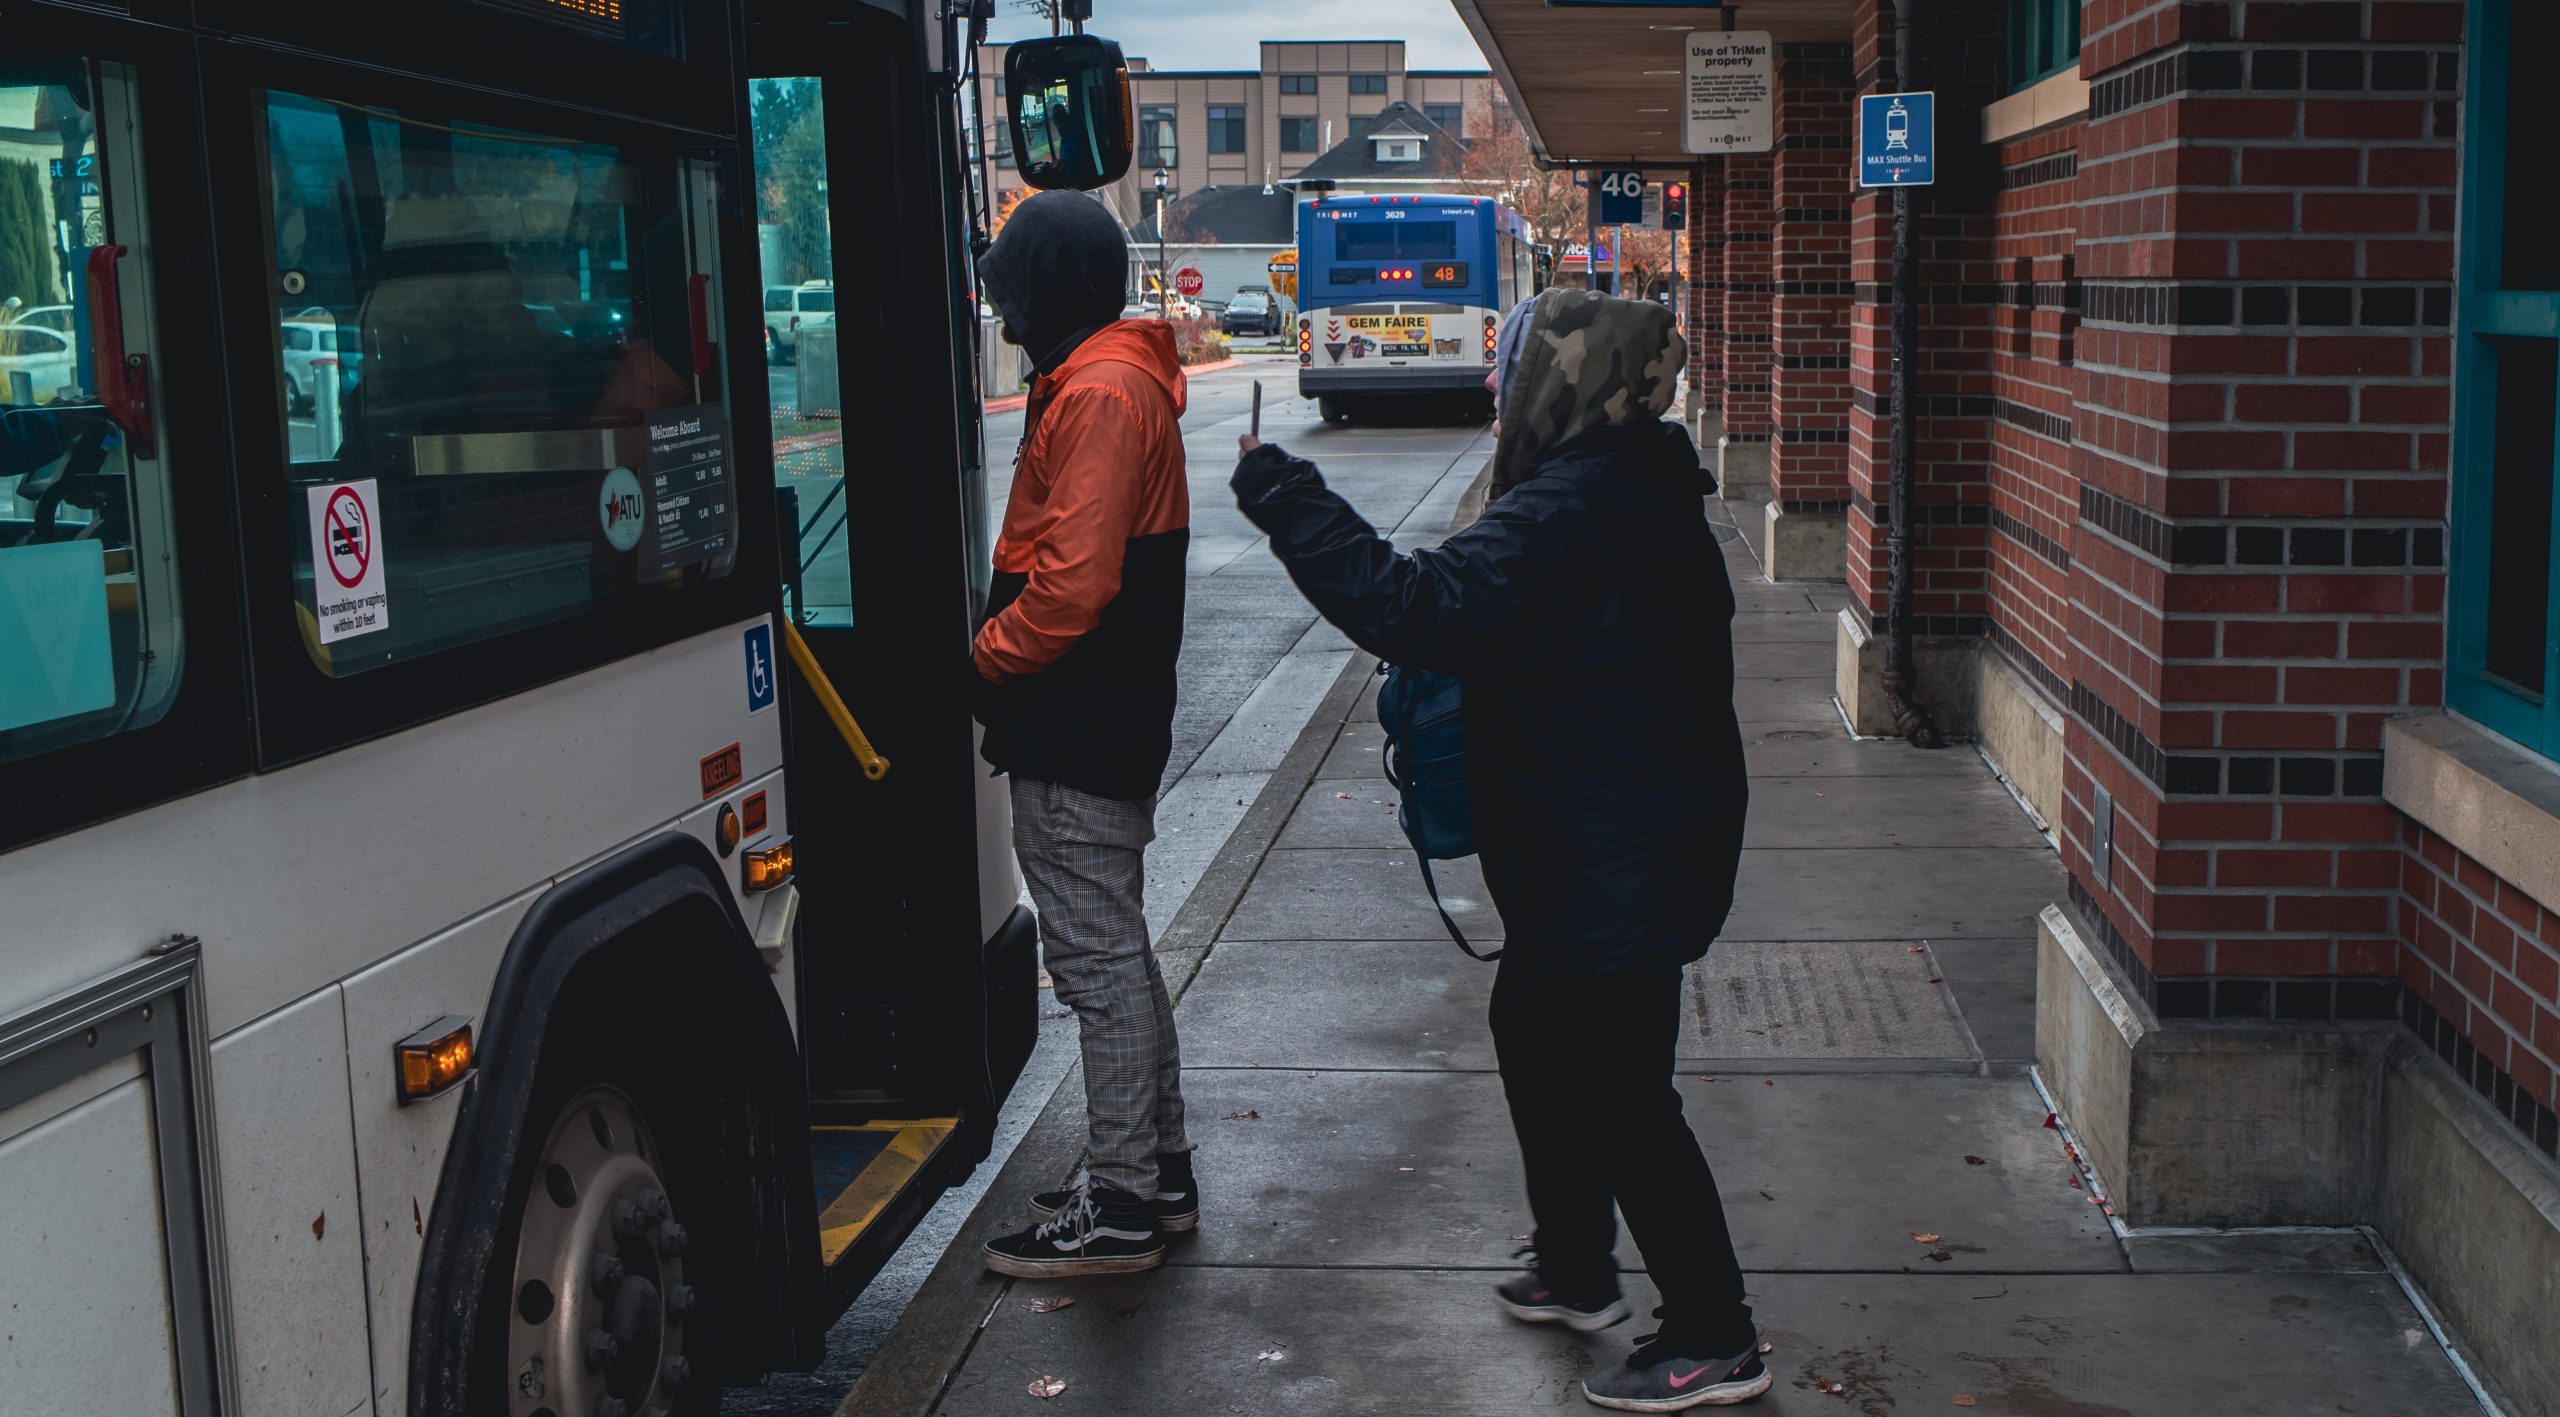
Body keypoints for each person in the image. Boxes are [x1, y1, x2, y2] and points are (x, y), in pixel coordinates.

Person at [1229, 288, 1764, 1409]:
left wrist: (1287, 496)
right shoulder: (1637, 483)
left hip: (1606, 852)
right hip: (1620, 838)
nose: (1491, 385)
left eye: (1511, 365)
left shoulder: (1572, 508)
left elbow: (1416, 607)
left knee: (1623, 1091)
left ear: (1560, 383)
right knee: (1534, 1028)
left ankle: (1715, 1331)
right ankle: (1577, 1266)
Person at [968, 191, 1197, 1278]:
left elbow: (1072, 587)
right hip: (1103, 711)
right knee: (1120, 950)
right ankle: (1154, 1170)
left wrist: (979, 658)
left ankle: (1120, 1204)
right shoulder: (1111, 375)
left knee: (1096, 963)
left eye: (1010, 287)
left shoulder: (1098, 393)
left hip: (1078, 715)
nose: (1001, 314)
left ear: (1046, 286)